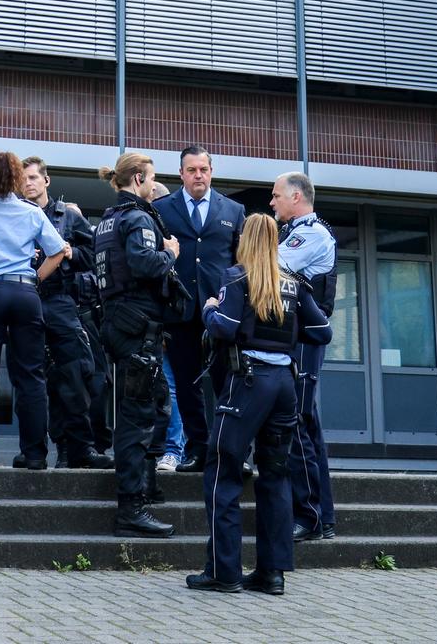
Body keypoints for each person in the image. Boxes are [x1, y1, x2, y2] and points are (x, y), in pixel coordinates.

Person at [187, 213, 331, 595]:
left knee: (223, 470)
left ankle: (223, 571)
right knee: (275, 476)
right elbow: (322, 332)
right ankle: (272, 573)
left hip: (247, 384)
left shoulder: (237, 277)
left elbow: (224, 327)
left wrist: (208, 308)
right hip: (285, 386)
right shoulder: (294, 286)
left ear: (245, 240)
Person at [0, 151, 66, 468]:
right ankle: (35, 454)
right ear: (19, 178)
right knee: (31, 375)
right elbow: (57, 251)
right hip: (25, 292)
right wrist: (35, 278)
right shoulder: (32, 213)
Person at [94, 151, 181, 538]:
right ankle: (131, 507)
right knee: (138, 417)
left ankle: (145, 488)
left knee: (156, 402)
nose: (152, 185)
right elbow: (144, 263)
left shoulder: (108, 220)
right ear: (140, 178)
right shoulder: (137, 217)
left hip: (120, 323)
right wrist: (170, 253)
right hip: (134, 327)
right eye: (152, 178)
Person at [154, 146, 244, 475]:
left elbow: (240, 263)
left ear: (211, 171)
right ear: (181, 174)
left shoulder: (233, 210)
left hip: (221, 312)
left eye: (203, 169)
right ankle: (197, 449)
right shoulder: (161, 209)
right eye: (191, 170)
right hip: (178, 311)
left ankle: (231, 450)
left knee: (226, 382)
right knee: (187, 384)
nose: (198, 176)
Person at [21, 157, 112, 469]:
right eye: (24, 179)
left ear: (46, 181)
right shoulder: (15, 215)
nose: (28, 183)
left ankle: (80, 448)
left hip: (61, 300)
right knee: (36, 378)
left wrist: (71, 253)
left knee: (73, 376)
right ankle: (47, 448)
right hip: (27, 300)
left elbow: (95, 255)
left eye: (34, 177)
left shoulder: (69, 216)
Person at [271, 171, 338, 540]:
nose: (272, 202)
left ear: (296, 197)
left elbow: (268, 267)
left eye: (276, 195)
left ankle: (309, 516)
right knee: (306, 425)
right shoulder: (298, 231)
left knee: (297, 423)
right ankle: (320, 516)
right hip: (297, 339)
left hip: (304, 340)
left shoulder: (310, 234)